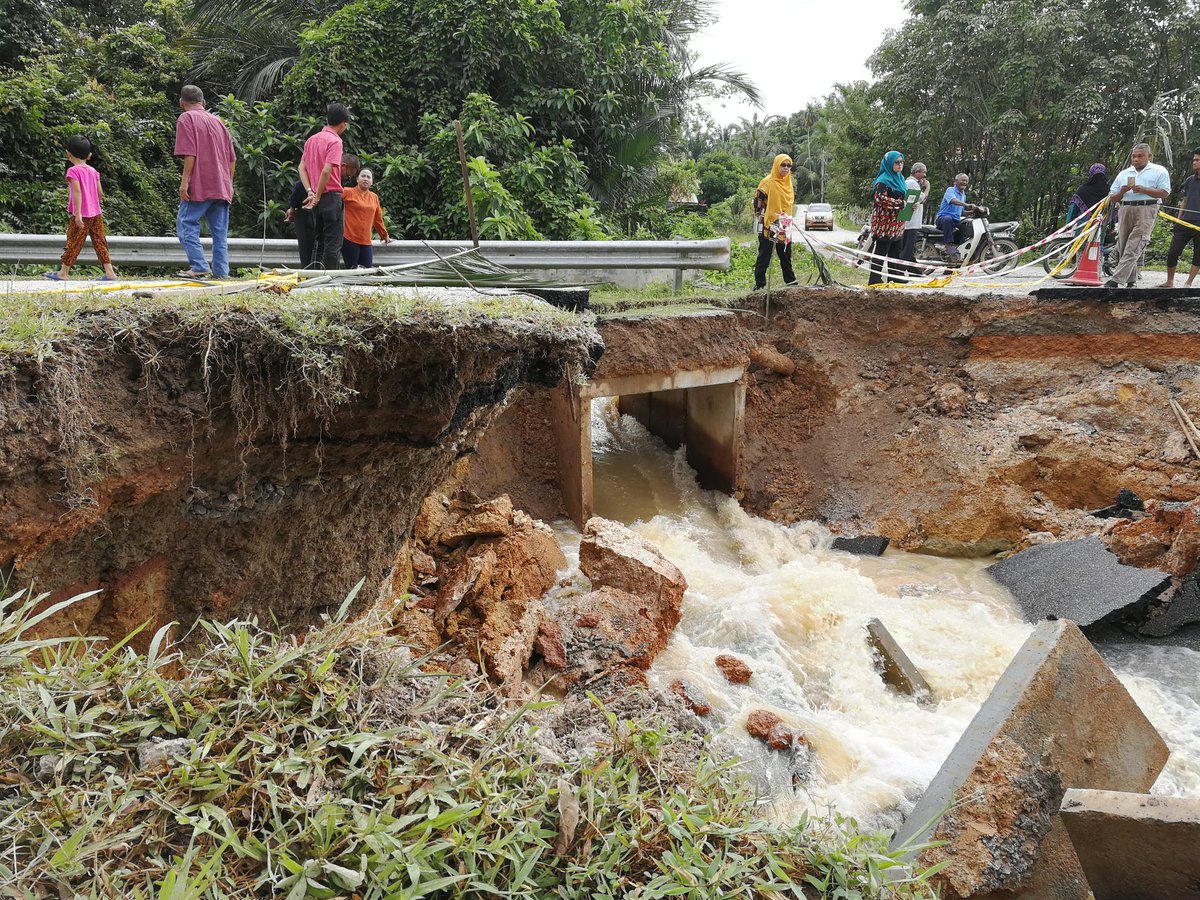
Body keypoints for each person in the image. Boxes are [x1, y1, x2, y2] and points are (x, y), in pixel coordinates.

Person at [174, 84, 236, 279]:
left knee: (186, 223)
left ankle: (199, 265)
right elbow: (232, 159)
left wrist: (185, 182)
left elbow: (190, 153)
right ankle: (221, 272)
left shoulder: (186, 118)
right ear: (204, 103)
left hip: (201, 184)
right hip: (222, 185)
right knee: (219, 233)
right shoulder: (219, 122)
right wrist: (229, 184)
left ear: (181, 103)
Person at [45, 135, 120, 282]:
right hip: (96, 213)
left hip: (82, 214)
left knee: (74, 242)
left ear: (68, 153)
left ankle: (63, 273)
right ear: (89, 155)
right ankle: (110, 272)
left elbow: (77, 192)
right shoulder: (93, 171)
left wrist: (78, 213)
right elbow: (100, 193)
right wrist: (93, 203)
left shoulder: (73, 171)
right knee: (100, 241)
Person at [1106, 143, 1170, 288]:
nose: (1136, 159)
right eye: (1134, 156)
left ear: (1149, 156)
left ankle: (1115, 280)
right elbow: (1112, 198)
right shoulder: (1124, 173)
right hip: (1125, 208)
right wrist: (1122, 192)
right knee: (1123, 245)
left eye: (1140, 156)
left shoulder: (1159, 171)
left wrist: (1145, 190)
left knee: (1135, 244)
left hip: (1147, 208)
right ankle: (1131, 281)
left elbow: (1165, 192)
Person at [301, 103, 351, 271]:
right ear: (342, 125)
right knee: (333, 243)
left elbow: (301, 168)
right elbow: (326, 171)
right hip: (330, 197)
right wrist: (317, 195)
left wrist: (311, 192)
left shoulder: (311, 140)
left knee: (320, 241)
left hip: (316, 198)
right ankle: (330, 280)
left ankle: (315, 277)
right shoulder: (335, 141)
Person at [751, 154, 797, 290]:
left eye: (789, 166)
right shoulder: (768, 182)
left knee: (785, 254)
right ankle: (760, 284)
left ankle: (790, 282)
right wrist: (763, 216)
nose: (786, 168)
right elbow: (758, 201)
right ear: (777, 165)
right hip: (769, 223)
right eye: (783, 165)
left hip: (784, 224)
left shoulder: (788, 183)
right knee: (765, 254)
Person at [867, 150, 908, 285]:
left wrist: (910, 205)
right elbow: (880, 199)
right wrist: (900, 204)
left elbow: (905, 198)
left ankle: (894, 277)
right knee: (881, 251)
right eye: (896, 162)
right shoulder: (883, 180)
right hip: (884, 223)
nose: (900, 165)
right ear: (889, 163)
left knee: (895, 251)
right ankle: (875, 279)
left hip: (897, 222)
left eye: (901, 162)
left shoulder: (901, 179)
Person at [342, 167, 390, 268]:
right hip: (349, 239)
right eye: (363, 176)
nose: (365, 179)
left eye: (368, 177)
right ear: (357, 179)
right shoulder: (347, 192)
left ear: (372, 182)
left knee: (367, 271)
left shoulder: (374, 197)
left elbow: (377, 219)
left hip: (366, 241)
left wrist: (384, 235)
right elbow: (333, 200)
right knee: (352, 271)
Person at [1165, 149, 1200, 288]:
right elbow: (1184, 201)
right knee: (1173, 252)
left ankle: (1188, 283)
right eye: (1194, 160)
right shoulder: (1190, 180)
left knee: (1198, 256)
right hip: (1185, 221)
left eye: (1197, 160)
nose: (1194, 162)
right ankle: (1169, 281)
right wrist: (1178, 219)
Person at [899, 161, 930, 274]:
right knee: (907, 249)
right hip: (911, 222)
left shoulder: (909, 182)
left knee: (909, 249)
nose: (925, 175)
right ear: (917, 172)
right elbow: (922, 198)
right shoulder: (912, 183)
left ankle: (916, 271)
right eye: (923, 172)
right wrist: (927, 188)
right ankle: (899, 272)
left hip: (909, 221)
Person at [935, 173, 972, 262]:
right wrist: (966, 205)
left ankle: (962, 248)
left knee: (967, 224)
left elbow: (961, 212)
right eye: (963, 180)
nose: (965, 182)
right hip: (942, 219)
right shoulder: (950, 190)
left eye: (966, 181)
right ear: (956, 181)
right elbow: (953, 200)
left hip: (955, 220)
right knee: (948, 219)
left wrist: (973, 212)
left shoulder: (963, 195)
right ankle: (948, 246)